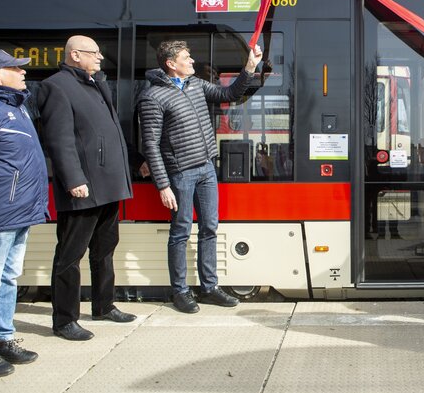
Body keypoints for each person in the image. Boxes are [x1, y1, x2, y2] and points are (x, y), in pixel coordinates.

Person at [138, 40, 262, 313]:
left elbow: (230, 93)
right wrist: (163, 185)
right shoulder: (152, 98)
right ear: (171, 64)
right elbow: (151, 144)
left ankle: (209, 287)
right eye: (187, 57)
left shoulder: (196, 85)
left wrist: (250, 68)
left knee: (209, 228)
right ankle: (180, 292)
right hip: (180, 173)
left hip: (207, 167)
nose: (193, 61)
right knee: (180, 232)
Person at [38, 35, 136, 341]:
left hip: (109, 184)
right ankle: (65, 320)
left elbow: (108, 132)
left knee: (104, 249)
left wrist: (134, 162)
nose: (100, 58)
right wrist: (74, 179)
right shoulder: (57, 86)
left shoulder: (95, 83)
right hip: (84, 186)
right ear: (75, 55)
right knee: (70, 254)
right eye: (94, 53)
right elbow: (60, 140)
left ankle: (103, 305)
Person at [0, 50, 48, 376]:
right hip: (0, 212)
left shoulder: (19, 108)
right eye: (15, 68)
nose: (23, 72)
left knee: (9, 278)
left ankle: (5, 338)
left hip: (20, 212)